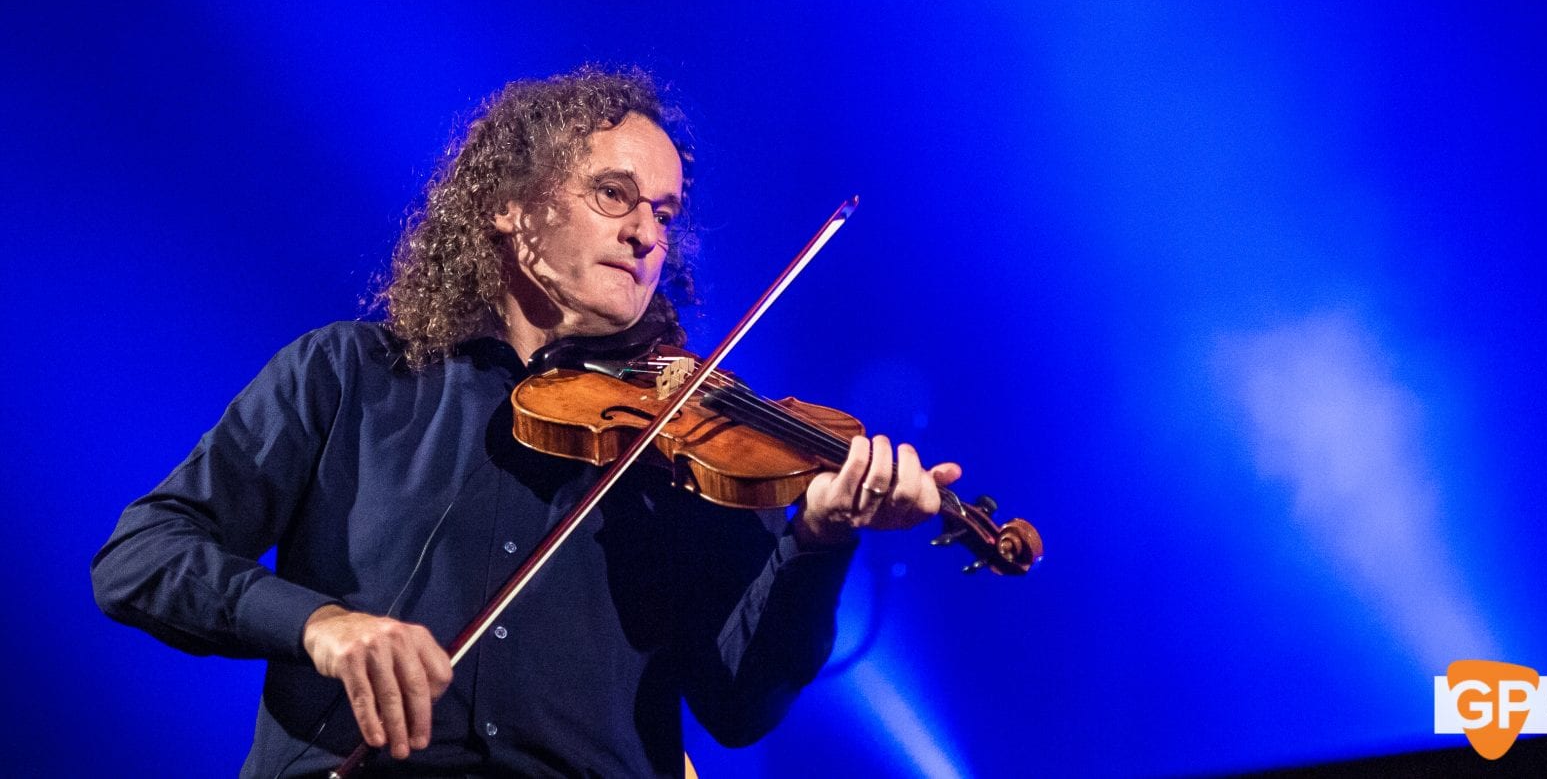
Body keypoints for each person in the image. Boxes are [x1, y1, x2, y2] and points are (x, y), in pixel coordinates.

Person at [92, 67, 960, 778]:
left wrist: (817, 537)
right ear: (510, 205)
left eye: (663, 213)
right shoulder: (349, 373)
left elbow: (739, 705)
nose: (644, 235)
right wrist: (319, 624)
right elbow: (141, 556)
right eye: (613, 194)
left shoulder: (682, 440)